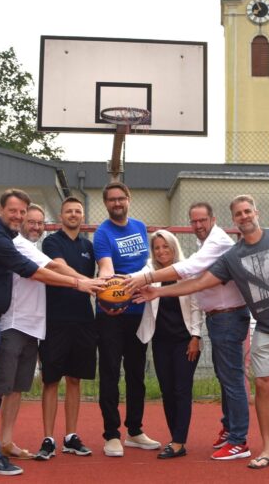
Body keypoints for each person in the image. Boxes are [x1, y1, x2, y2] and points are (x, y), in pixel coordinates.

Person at [135, 194, 269, 471]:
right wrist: (158, 291)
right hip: (266, 329)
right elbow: (198, 282)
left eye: (248, 211)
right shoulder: (233, 256)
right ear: (234, 220)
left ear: (256, 212)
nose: (244, 217)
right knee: (262, 386)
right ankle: (267, 449)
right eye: (239, 214)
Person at [0, 189, 104, 476]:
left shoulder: (19, 243)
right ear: (1, 210)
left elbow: (46, 267)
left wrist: (86, 282)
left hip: (7, 322)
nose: (25, 219)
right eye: (18, 213)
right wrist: (83, 283)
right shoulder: (6, 240)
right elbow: (38, 270)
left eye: (29, 215)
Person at [125, 202, 250, 460]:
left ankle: (231, 439)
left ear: (213, 219)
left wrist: (195, 336)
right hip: (193, 328)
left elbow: (193, 283)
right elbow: (137, 277)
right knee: (185, 386)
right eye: (193, 221)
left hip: (217, 323)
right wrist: (111, 284)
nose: (198, 225)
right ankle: (222, 431)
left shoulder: (212, 247)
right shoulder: (163, 264)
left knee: (226, 381)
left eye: (202, 220)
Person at [0, 204, 81, 461]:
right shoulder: (17, 244)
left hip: (33, 328)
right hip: (13, 324)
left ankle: (6, 441)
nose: (34, 226)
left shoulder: (32, 247)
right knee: (1, 388)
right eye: (30, 221)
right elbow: (53, 268)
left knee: (18, 388)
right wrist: (85, 282)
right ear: (21, 223)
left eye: (39, 223)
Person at [93, 182, 161, 456]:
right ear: (106, 203)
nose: (117, 203)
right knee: (110, 374)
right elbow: (106, 267)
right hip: (111, 314)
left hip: (138, 312)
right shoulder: (102, 233)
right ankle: (111, 435)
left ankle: (134, 430)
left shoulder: (140, 227)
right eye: (112, 200)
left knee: (136, 375)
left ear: (129, 199)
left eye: (121, 198)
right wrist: (109, 292)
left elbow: (146, 264)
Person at [33, 197, 97, 460]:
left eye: (78, 211)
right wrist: (88, 281)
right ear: (61, 216)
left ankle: (70, 436)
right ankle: (48, 438)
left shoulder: (89, 246)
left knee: (75, 379)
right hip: (55, 319)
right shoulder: (51, 241)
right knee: (51, 380)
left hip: (83, 319)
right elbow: (59, 267)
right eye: (69, 211)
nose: (73, 214)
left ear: (82, 217)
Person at [135, 229, 203, 460]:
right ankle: (176, 438)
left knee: (182, 390)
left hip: (185, 340)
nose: (162, 251)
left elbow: (196, 306)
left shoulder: (186, 271)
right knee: (167, 390)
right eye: (157, 247)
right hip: (160, 341)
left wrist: (196, 337)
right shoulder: (149, 271)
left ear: (174, 248)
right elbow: (137, 276)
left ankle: (178, 441)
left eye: (166, 246)